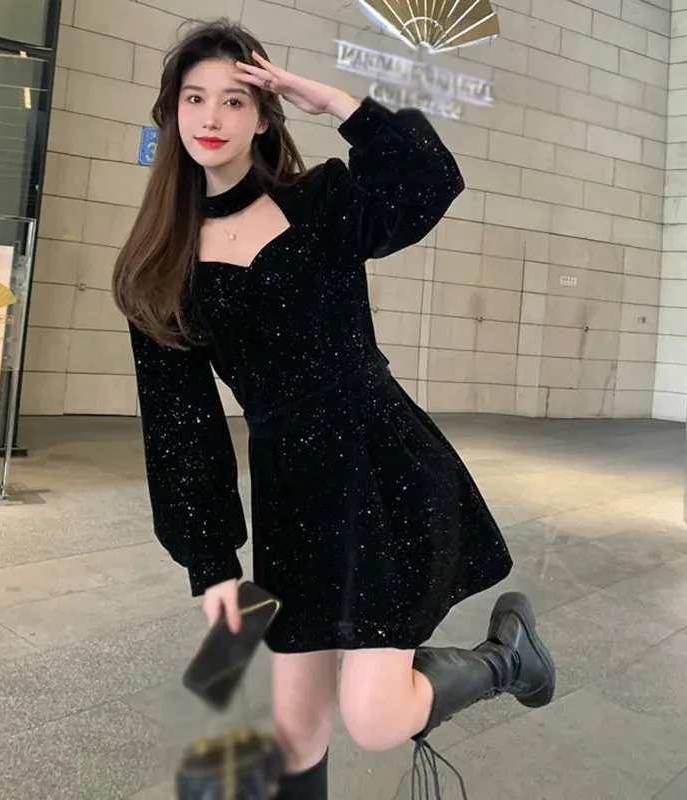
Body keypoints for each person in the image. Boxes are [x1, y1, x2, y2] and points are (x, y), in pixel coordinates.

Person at [113, 18, 556, 799]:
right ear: (172, 112)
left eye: (235, 100)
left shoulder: (321, 202)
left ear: (264, 116)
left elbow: (428, 182)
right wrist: (211, 566)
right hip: (293, 497)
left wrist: (339, 104)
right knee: (294, 734)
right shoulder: (160, 268)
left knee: (377, 720)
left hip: (384, 466)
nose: (212, 118)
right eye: (194, 99)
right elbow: (181, 431)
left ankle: (506, 659)